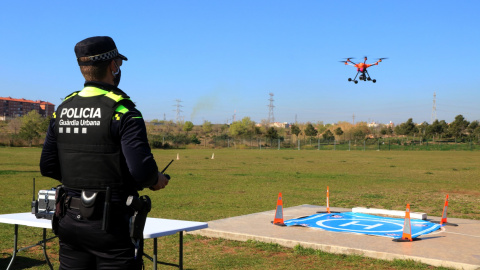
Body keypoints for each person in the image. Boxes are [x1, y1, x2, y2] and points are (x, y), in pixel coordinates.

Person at [40, 36, 170, 270]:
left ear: (82, 69)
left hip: (68, 219)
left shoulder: (63, 109)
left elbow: (48, 166)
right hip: (111, 224)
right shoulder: (123, 110)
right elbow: (141, 172)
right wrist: (156, 180)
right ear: (113, 66)